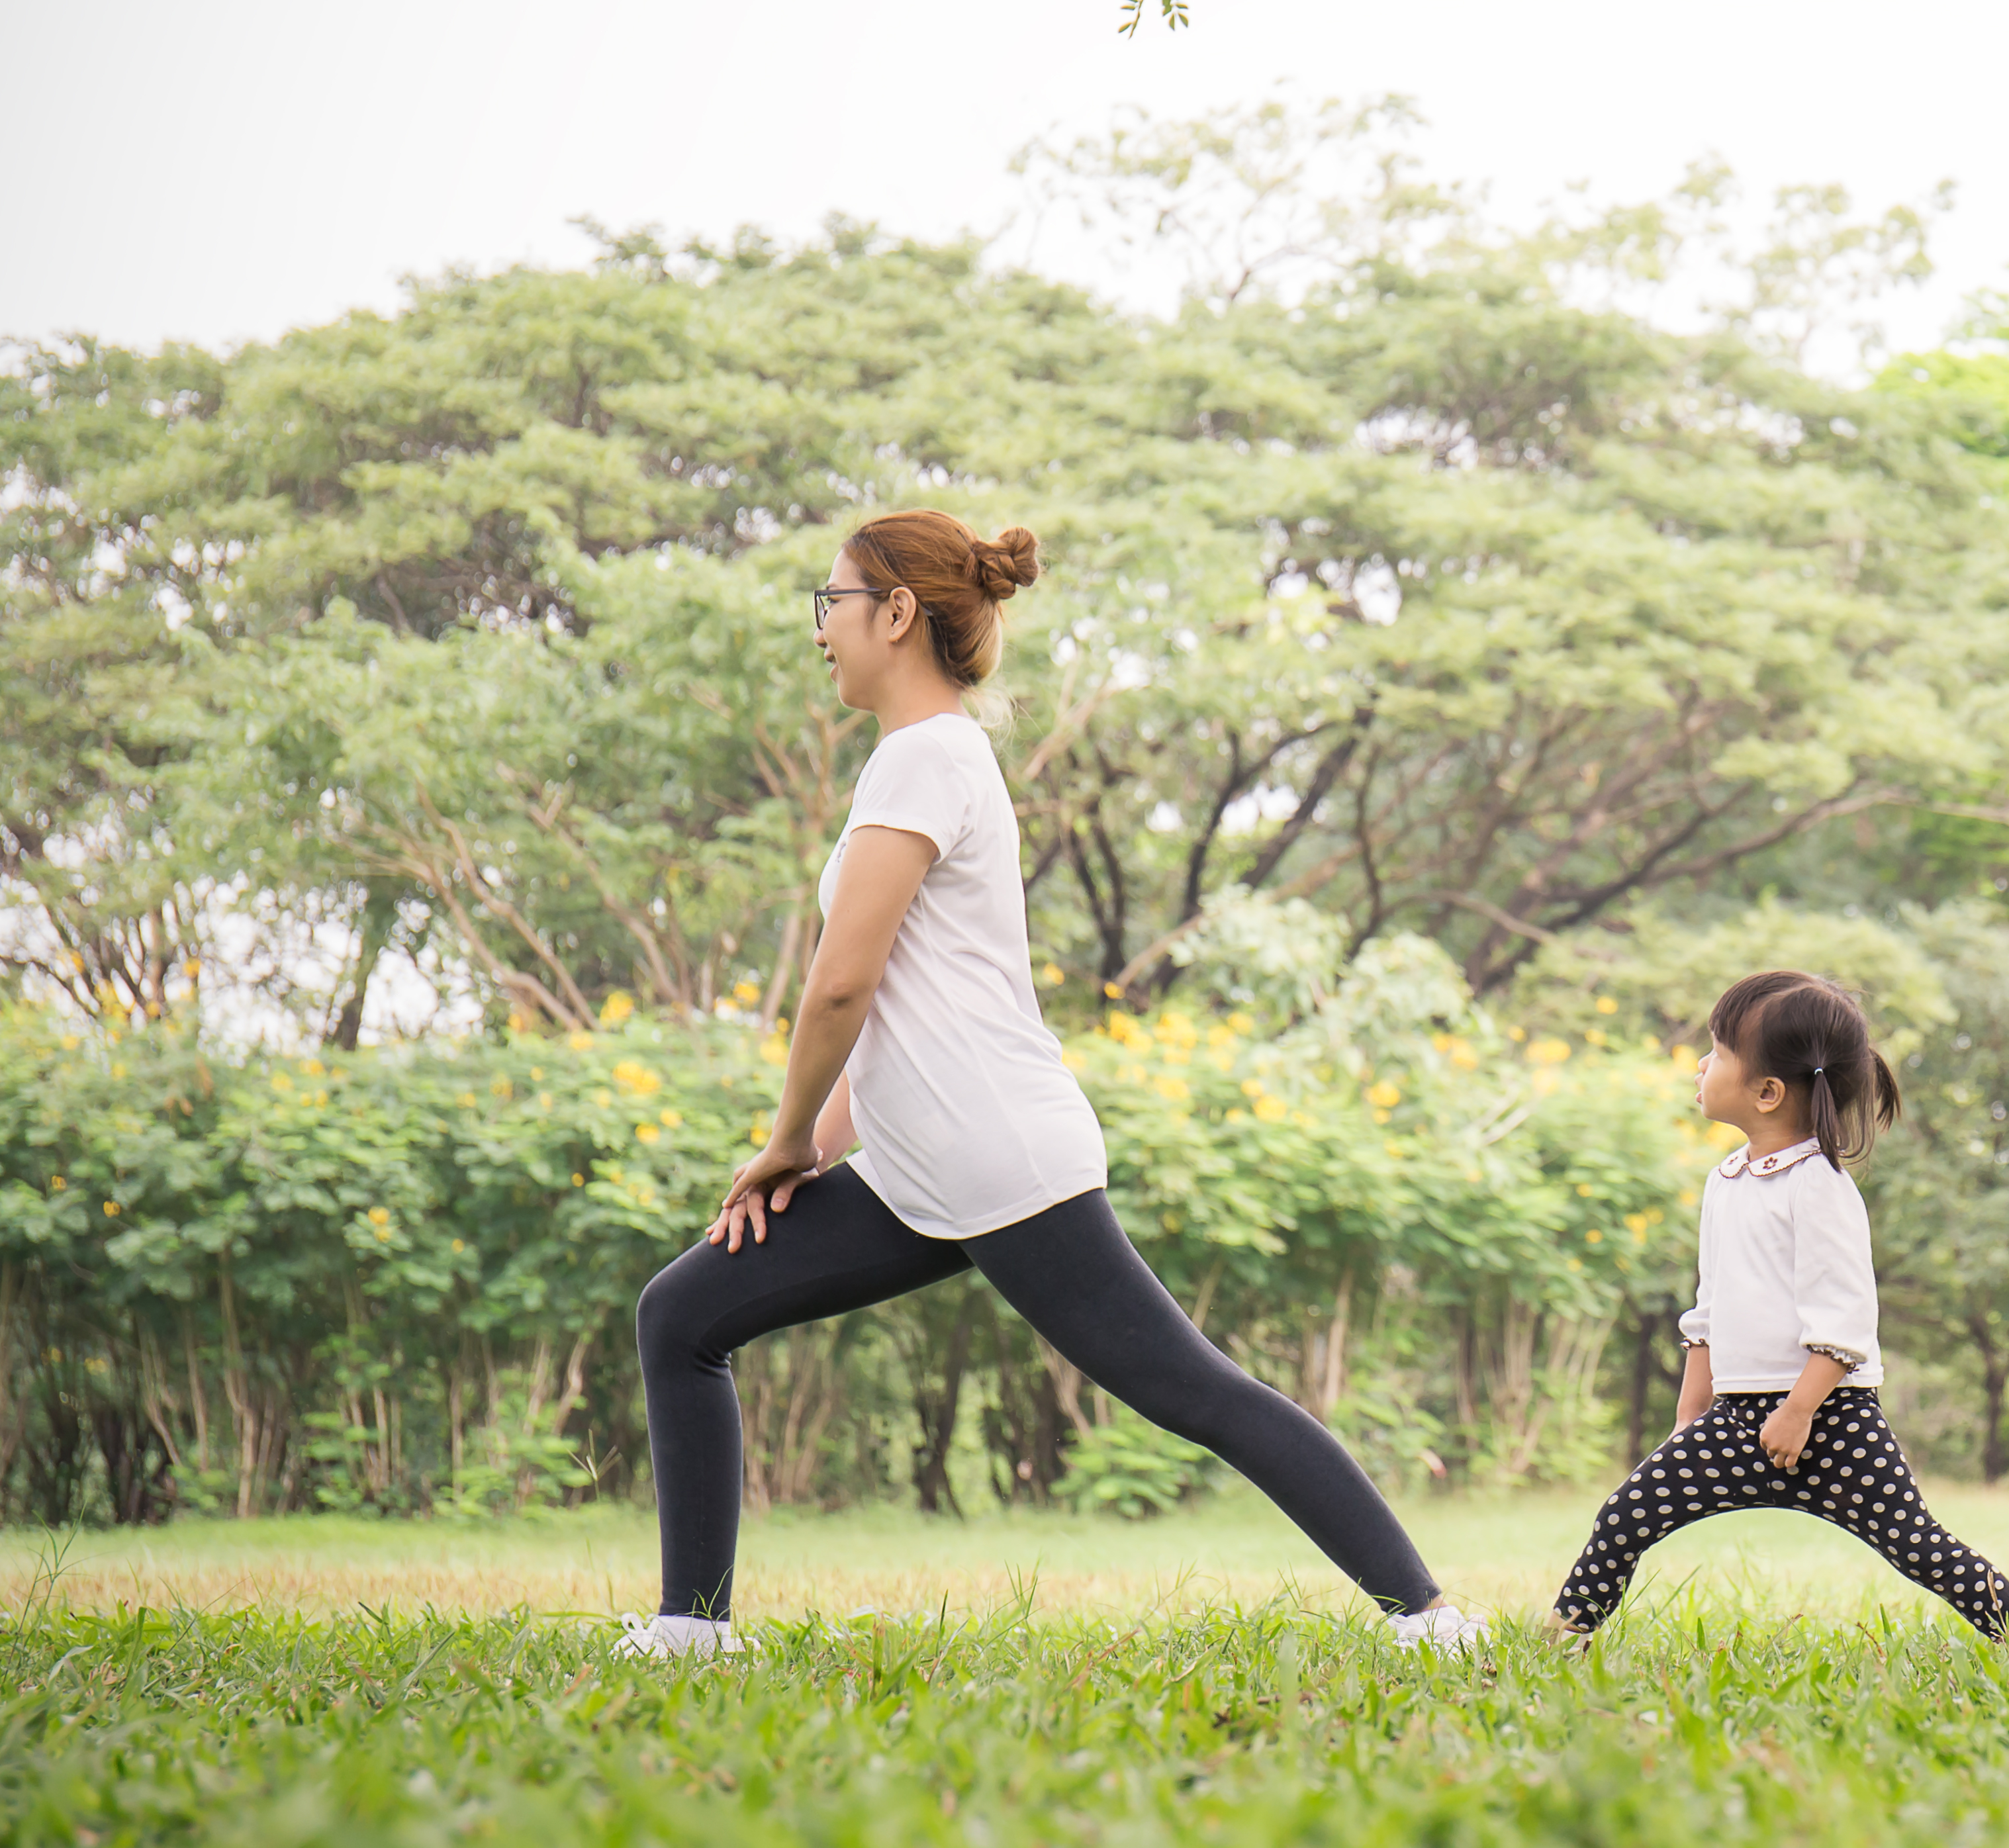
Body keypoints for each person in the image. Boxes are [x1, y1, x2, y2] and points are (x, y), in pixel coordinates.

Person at [622, 509, 1481, 1658]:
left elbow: (839, 986)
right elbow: (892, 1006)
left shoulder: (923, 756)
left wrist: (783, 1138)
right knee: (683, 1312)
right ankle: (693, 1629)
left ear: (894, 614)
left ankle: (1430, 1619)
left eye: (831, 602)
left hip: (994, 1157)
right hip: (926, 1164)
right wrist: (816, 1149)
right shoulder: (935, 754)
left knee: (1196, 1393)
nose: (819, 628)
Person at [1548, 971, 2009, 1647]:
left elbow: (1843, 1315)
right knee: (1627, 1512)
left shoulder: (1817, 1184)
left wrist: (1799, 1409)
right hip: (1736, 1416)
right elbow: (1709, 1309)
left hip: (1831, 1418)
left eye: (1718, 1053)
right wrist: (1688, 1415)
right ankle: (1566, 1629)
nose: (1701, 1065)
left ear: (1767, 1091)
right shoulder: (1724, 1180)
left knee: (1912, 1538)